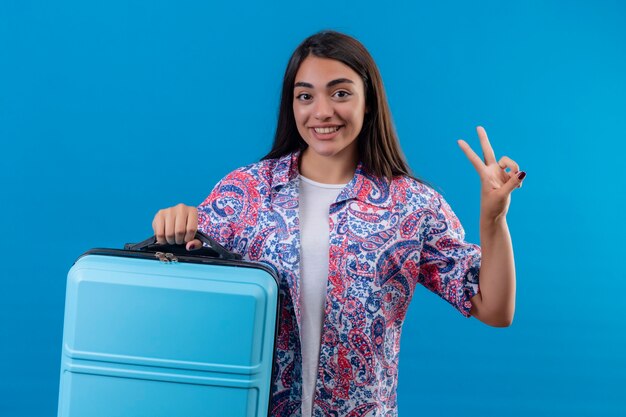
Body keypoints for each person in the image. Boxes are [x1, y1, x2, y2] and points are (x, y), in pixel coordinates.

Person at [151, 30, 524, 417]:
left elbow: (495, 309)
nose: (322, 111)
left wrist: (493, 220)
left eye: (340, 93)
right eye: (305, 96)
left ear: (369, 103)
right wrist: (175, 227)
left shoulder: (413, 206)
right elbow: (185, 290)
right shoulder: (246, 191)